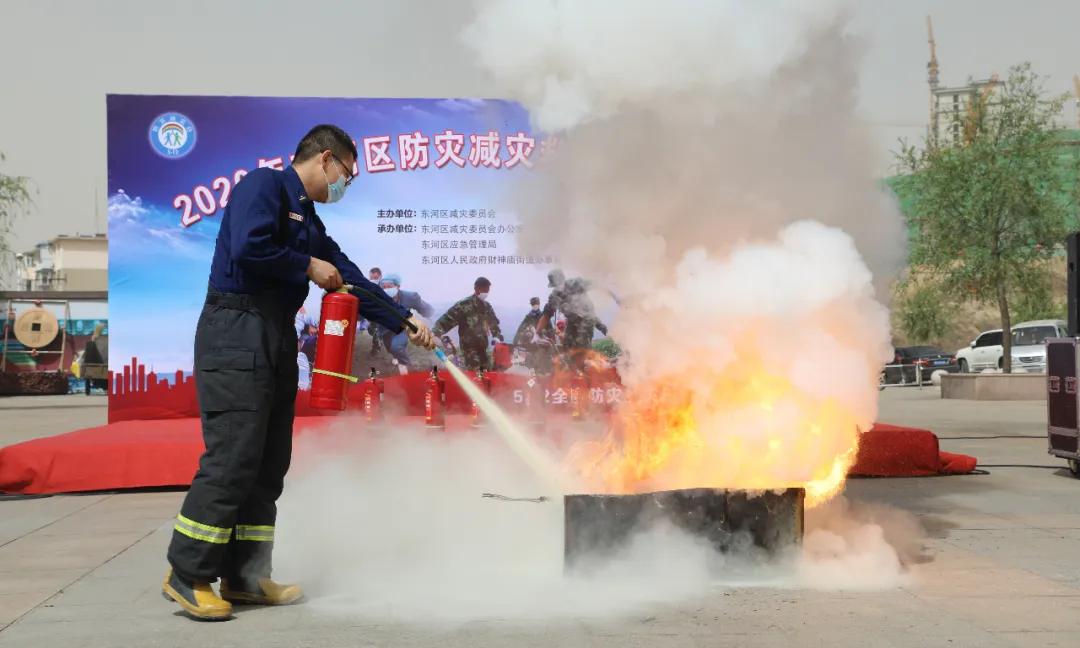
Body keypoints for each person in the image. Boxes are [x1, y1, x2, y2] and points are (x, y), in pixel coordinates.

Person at [162, 124, 435, 621]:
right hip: (236, 329)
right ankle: (188, 573)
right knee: (234, 456)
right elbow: (249, 247)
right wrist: (305, 265)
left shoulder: (306, 217)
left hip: (275, 334)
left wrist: (405, 320)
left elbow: (347, 275)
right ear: (326, 159)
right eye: (347, 175)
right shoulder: (263, 187)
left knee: (269, 461)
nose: (345, 185)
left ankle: (245, 576)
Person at [537, 269, 608, 371]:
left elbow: (598, 287)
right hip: (573, 322)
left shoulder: (577, 284)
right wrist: (538, 332)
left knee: (582, 348)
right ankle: (573, 370)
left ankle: (587, 371)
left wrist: (599, 325)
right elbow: (547, 315)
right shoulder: (555, 296)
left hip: (586, 322)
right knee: (567, 344)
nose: (558, 287)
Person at [432, 277, 503, 371]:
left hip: (483, 350)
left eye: (487, 290)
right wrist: (435, 333)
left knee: (487, 374)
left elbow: (493, 323)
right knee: (475, 375)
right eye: (484, 290)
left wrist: (496, 336)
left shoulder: (486, 307)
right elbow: (447, 320)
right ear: (476, 289)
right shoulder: (464, 305)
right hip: (469, 351)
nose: (486, 293)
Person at [373, 273, 434, 371]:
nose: (386, 289)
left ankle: (405, 366)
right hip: (385, 328)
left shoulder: (410, 297)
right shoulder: (378, 298)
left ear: (398, 286)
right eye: (383, 287)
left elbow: (425, 308)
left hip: (403, 326)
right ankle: (396, 356)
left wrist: (431, 316)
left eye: (389, 287)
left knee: (396, 346)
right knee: (390, 348)